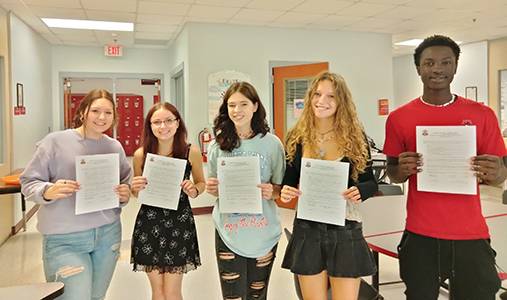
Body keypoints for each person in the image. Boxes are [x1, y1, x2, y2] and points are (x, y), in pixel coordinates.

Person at [383, 35, 507, 300]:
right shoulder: (399, 118)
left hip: (470, 232)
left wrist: (498, 174)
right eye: (429, 63)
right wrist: (401, 170)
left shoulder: (482, 115)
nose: (437, 68)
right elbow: (393, 173)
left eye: (445, 62)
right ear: (418, 68)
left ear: (455, 67)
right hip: (420, 232)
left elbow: (499, 174)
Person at [20, 89, 132, 300]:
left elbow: (124, 184)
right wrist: (47, 191)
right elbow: (28, 182)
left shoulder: (113, 147)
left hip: (107, 235)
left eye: (108, 113)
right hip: (65, 239)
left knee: (97, 297)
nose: (101, 117)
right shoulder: (54, 142)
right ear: (83, 112)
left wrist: (124, 195)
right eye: (96, 111)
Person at [279, 71, 378, 300]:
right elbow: (289, 178)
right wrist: (286, 190)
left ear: (341, 102)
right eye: (317, 94)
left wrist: (360, 191)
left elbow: (370, 183)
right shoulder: (298, 136)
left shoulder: (355, 137)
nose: (321, 101)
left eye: (331, 96)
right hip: (308, 227)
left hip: (345, 229)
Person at [205, 82, 285, 300]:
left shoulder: (272, 144)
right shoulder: (217, 145)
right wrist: (212, 188)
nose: (237, 110)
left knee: (258, 295)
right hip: (229, 231)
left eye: (243, 104)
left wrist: (273, 191)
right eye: (231, 105)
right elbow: (214, 186)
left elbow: (281, 188)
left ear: (255, 106)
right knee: (233, 296)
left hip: (263, 232)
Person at [130, 102, 204, 300]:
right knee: (158, 291)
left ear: (177, 123)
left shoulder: (191, 152)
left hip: (179, 224)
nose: (163, 126)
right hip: (149, 224)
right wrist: (134, 188)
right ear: (150, 126)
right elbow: (136, 193)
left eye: (169, 120)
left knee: (172, 292)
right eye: (157, 122)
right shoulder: (140, 155)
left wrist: (194, 190)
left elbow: (201, 183)